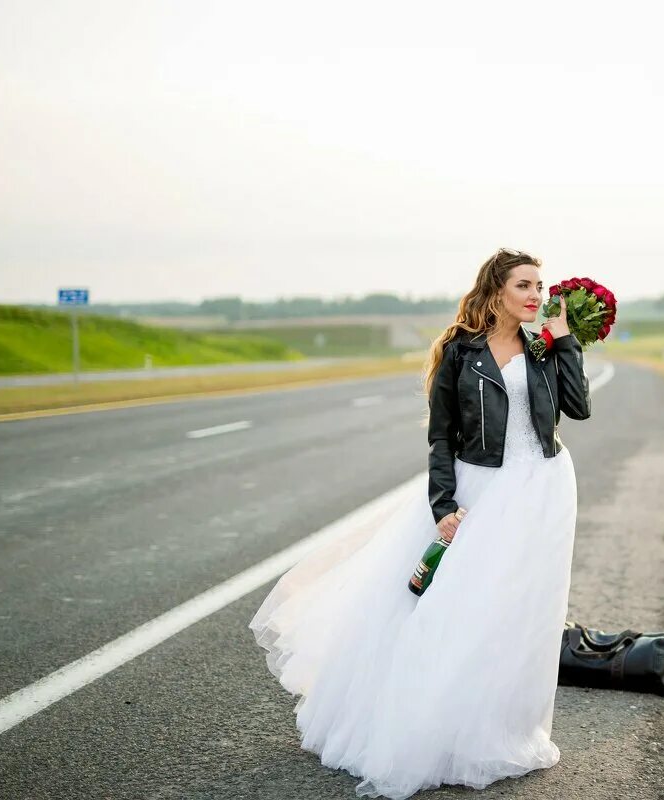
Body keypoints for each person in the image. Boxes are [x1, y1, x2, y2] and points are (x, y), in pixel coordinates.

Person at [248, 247, 592, 799]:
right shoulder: (461, 351)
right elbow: (441, 437)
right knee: (454, 611)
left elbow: (578, 409)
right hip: (479, 490)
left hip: (540, 492)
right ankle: (429, 732)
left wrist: (566, 340)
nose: (536, 295)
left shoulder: (545, 346)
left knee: (516, 614)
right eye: (524, 286)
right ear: (496, 290)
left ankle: (496, 731)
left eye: (539, 286)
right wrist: (444, 508)